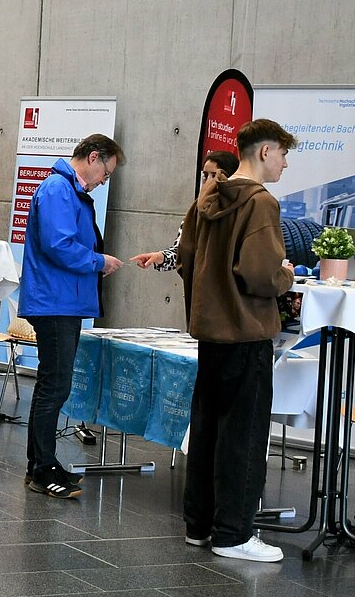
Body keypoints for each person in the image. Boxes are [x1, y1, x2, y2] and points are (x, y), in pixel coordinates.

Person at [175, 119, 297, 563]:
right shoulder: (260, 203)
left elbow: (186, 257)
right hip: (245, 332)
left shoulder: (207, 198)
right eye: (283, 154)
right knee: (243, 435)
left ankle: (199, 525)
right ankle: (233, 534)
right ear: (265, 151)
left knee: (207, 429)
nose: (285, 163)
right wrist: (287, 276)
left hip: (210, 330)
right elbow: (261, 273)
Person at [17, 134, 125, 497]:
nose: (103, 181)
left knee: (54, 384)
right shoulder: (57, 190)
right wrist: (98, 261)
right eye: (105, 173)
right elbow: (58, 244)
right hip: (55, 302)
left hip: (63, 300)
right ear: (93, 157)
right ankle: (42, 467)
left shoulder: (68, 191)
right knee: (55, 386)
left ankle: (41, 464)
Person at [130, 150, 239, 270]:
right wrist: (160, 257)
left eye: (214, 176)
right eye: (205, 176)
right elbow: (181, 251)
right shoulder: (195, 212)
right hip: (200, 285)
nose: (208, 181)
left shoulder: (241, 211)